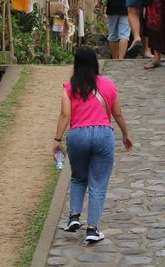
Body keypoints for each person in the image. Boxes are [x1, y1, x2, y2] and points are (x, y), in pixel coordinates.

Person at [52, 47, 133, 243]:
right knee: (98, 183)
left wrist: (57, 140)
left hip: (78, 135)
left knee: (79, 177)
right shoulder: (107, 85)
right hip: (103, 135)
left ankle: (73, 217)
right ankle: (92, 229)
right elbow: (118, 113)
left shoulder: (70, 87)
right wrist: (125, 134)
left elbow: (65, 115)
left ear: (76, 64)